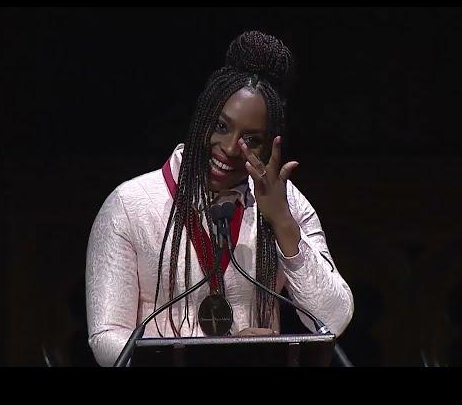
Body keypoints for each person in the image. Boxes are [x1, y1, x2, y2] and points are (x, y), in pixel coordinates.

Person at [86, 30, 353, 366]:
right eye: (221, 127)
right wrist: (214, 355)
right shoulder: (129, 205)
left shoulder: (286, 204)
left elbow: (335, 318)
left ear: (270, 143)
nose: (229, 148)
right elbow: (106, 336)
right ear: (201, 119)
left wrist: (283, 224)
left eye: (251, 139)